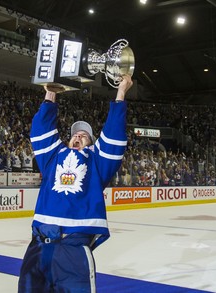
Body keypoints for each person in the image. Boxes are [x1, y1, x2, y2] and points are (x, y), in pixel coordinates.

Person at [18, 75, 133, 292]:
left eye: (84, 136)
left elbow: (114, 135)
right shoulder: (54, 155)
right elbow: (40, 129)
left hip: (73, 249)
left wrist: (121, 93)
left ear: (92, 143)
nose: (78, 136)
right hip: (39, 246)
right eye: (75, 134)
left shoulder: (98, 162)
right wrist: (50, 93)